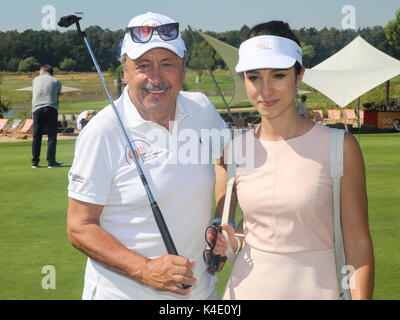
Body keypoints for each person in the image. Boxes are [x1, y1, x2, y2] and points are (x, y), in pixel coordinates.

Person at [67, 12, 227, 300]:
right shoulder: (102, 132)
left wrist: (221, 221)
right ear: (125, 72)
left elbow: (227, 163)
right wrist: (144, 269)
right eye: (143, 66)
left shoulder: (202, 108)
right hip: (124, 294)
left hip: (202, 293)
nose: (155, 77)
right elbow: (79, 226)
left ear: (182, 69)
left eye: (167, 64)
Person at [213, 21, 375, 300]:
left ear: (299, 76)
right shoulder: (234, 151)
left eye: (277, 75)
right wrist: (226, 242)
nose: (265, 90)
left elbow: (358, 245)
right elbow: (244, 233)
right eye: (253, 77)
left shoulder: (341, 147)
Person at [31, 64, 62, 168]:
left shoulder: (35, 80)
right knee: (52, 136)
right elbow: (57, 97)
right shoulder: (56, 81)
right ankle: (51, 162)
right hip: (51, 108)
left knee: (37, 136)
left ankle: (35, 162)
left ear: (43, 70)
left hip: (37, 109)